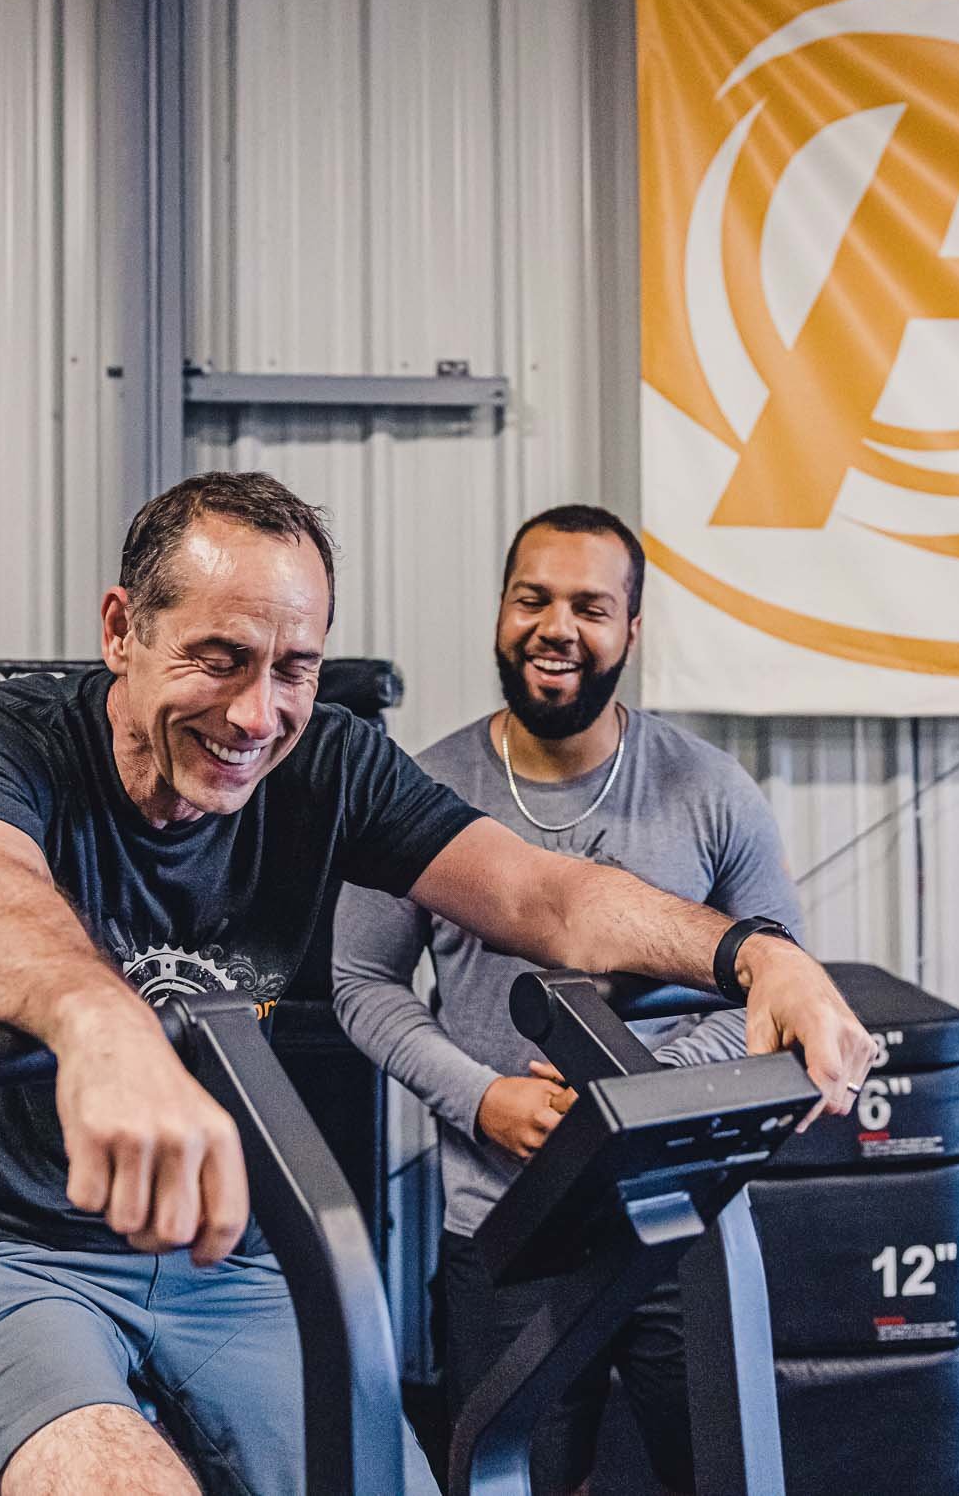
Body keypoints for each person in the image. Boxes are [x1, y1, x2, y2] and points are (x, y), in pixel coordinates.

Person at [0, 471, 872, 1496]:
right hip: (2, 1252)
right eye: (219, 660)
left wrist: (757, 953)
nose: (256, 715)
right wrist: (98, 1024)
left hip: (219, 1250)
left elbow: (548, 898)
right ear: (122, 628)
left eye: (293, 669)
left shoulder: (331, 765)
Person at [333, 503, 798, 1496]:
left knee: (721, 1475)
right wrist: (479, 1097)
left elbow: (773, 988)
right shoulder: (424, 794)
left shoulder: (711, 791)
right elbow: (358, 981)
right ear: (501, 615)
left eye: (590, 606)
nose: (557, 628)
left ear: (631, 630)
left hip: (679, 1212)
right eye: (531, 599)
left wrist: (642, 1095)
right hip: (505, 1226)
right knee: (524, 1481)